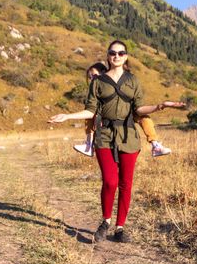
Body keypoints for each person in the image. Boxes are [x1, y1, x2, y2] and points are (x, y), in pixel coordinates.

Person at [48, 40, 185, 243]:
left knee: (126, 184)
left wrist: (160, 106)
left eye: (121, 53)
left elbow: (138, 110)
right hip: (104, 136)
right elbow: (90, 110)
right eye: (113, 53)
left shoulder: (133, 81)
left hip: (128, 136)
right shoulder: (98, 82)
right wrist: (67, 116)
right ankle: (105, 221)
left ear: (126, 56)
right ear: (108, 56)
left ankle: (120, 227)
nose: (117, 56)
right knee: (110, 181)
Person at [73, 61, 173, 158]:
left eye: (94, 75)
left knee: (145, 118)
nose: (92, 79)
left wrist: (158, 106)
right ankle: (89, 144)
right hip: (107, 115)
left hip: (128, 110)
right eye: (90, 77)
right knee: (89, 113)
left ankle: (155, 145)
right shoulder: (95, 88)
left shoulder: (116, 80)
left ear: (104, 72)